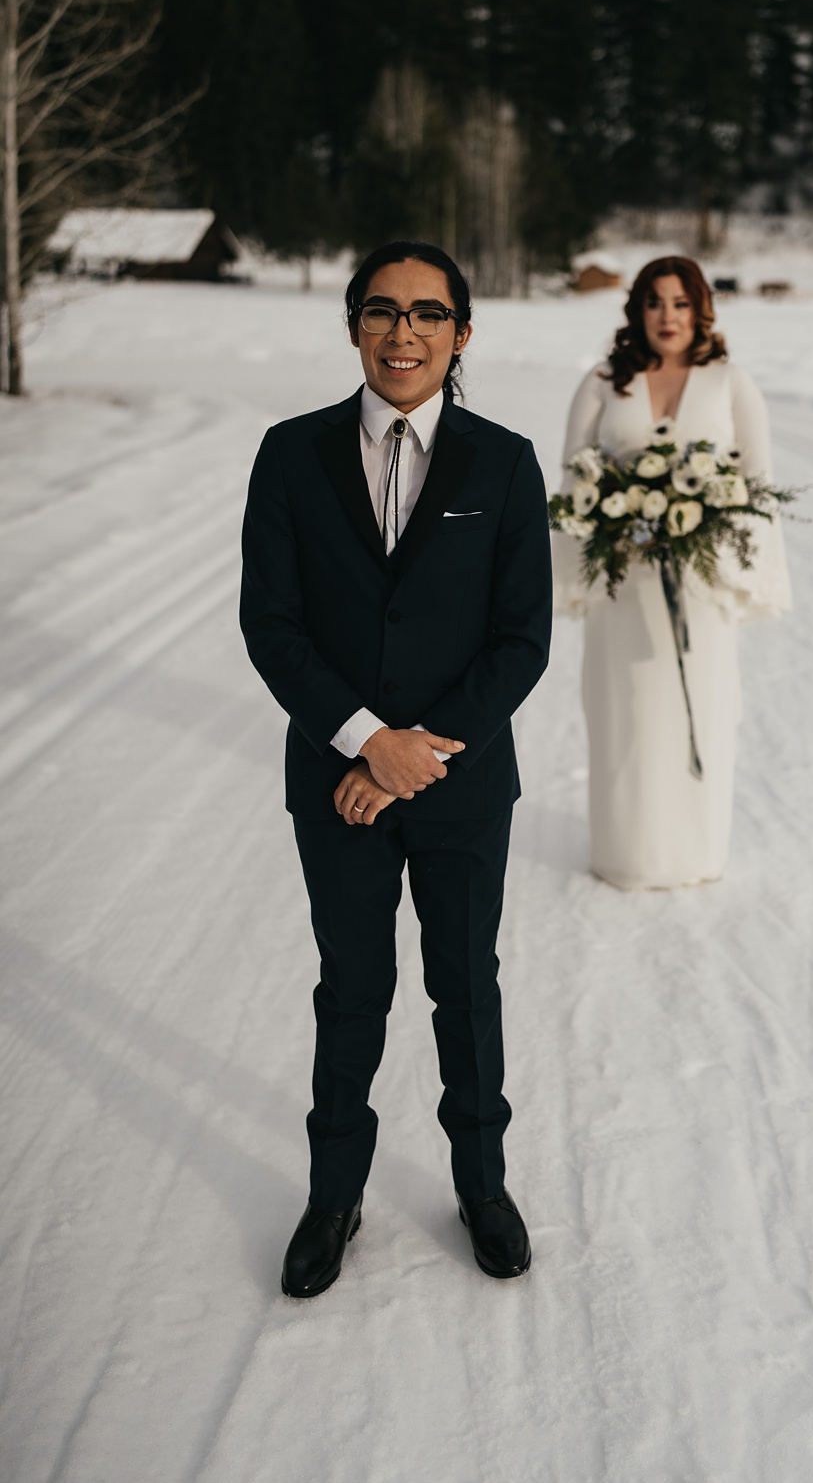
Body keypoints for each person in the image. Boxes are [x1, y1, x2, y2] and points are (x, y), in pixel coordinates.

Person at [240, 240, 552, 1298]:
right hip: (337, 782)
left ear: (462, 333)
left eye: (427, 313)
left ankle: (481, 1183)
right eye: (382, 310)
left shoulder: (505, 463)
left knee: (466, 988)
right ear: (353, 326)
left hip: (462, 786)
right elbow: (271, 624)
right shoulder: (289, 454)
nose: (403, 331)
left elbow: (520, 641)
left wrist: (416, 754)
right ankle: (335, 1196)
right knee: (352, 990)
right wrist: (366, 739)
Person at [557, 255, 790, 889]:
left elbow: (757, 486)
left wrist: (734, 554)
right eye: (655, 302)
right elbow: (574, 479)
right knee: (627, 713)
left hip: (702, 586)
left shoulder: (730, 382)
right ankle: (625, 855)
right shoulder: (604, 381)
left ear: (700, 309)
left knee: (702, 711)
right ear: (636, 309)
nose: (668, 316)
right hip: (623, 586)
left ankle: (696, 854)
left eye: (681, 303)